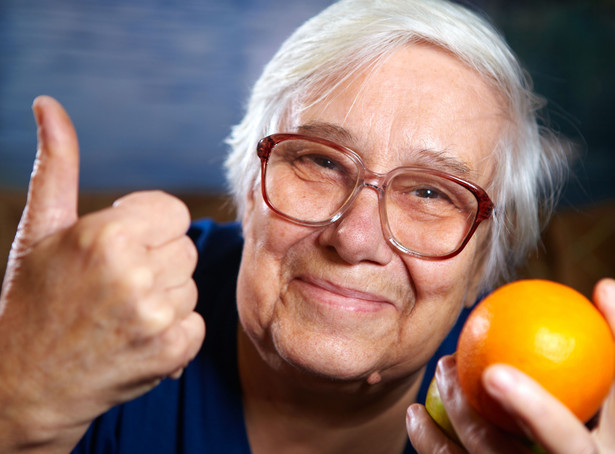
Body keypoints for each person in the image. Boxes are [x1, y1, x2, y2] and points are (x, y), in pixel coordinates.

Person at [0, 0, 613, 452]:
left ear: (486, 261)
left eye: (431, 192)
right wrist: (17, 400)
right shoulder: (99, 315)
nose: (355, 238)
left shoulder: (534, 415)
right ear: (246, 184)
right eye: (320, 161)